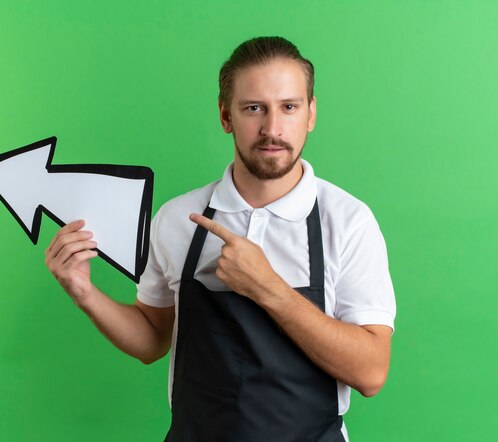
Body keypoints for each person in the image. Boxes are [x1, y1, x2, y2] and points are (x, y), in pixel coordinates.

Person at [45, 36, 396, 442]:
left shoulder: (348, 221)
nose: (272, 129)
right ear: (225, 115)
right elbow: (151, 339)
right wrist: (84, 292)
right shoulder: (178, 218)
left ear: (311, 114)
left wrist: (268, 289)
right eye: (253, 108)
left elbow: (371, 373)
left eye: (289, 107)